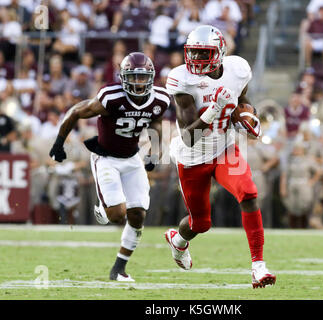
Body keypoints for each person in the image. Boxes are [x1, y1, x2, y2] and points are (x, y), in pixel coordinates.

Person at [164, 25, 276, 288]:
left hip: (225, 149)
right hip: (193, 157)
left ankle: (258, 267)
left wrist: (250, 117)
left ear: (220, 52)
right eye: (193, 54)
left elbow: (242, 100)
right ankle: (178, 241)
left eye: (204, 54)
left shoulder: (237, 70)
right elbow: (189, 136)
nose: (197, 61)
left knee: (248, 193)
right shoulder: (182, 80)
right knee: (200, 223)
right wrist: (214, 109)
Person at [49, 52, 170, 281]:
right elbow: (76, 111)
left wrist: (154, 152)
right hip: (106, 158)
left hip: (132, 158)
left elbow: (155, 123)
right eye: (133, 77)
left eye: (143, 78)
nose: (138, 83)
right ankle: (103, 207)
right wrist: (58, 143)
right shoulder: (111, 96)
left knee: (137, 215)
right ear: (123, 77)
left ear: (151, 78)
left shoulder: (160, 99)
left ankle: (119, 269)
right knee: (116, 215)